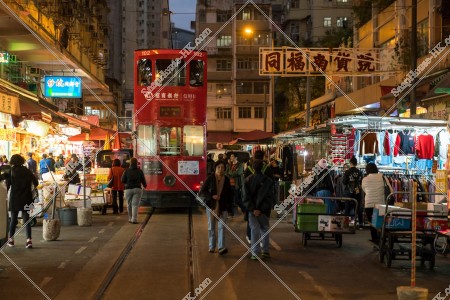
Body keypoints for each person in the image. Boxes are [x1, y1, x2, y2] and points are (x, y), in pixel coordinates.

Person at [199, 160, 233, 255]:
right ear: (215, 168)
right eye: (219, 167)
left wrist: (230, 209)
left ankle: (221, 247)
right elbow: (202, 191)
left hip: (223, 207)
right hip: (211, 206)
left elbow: (230, 194)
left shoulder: (226, 179)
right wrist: (212, 196)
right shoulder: (210, 178)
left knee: (222, 227)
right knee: (211, 227)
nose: (220, 169)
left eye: (222, 167)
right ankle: (212, 246)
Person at [243, 159, 275, 260]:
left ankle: (255, 253)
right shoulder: (269, 181)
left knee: (254, 230)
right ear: (263, 167)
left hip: (252, 212)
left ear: (252, 168)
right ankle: (265, 251)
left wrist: (253, 209)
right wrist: (262, 209)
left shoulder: (247, 180)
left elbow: (245, 197)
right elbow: (271, 197)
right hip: (264, 211)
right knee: (265, 229)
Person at [6, 154, 39, 248]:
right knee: (27, 219)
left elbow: (7, 186)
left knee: (13, 219)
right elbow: (36, 182)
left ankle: (11, 240)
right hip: (27, 198)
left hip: (14, 198)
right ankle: (29, 240)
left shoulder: (11, 171)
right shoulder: (27, 171)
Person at [361, 163, 392, 245]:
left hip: (369, 205)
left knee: (372, 224)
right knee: (381, 223)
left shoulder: (365, 179)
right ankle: (382, 239)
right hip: (380, 205)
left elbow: (364, 190)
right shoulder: (383, 177)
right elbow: (390, 190)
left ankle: (375, 240)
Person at [121, 157, 147, 224]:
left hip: (128, 189)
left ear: (130, 163)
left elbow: (122, 180)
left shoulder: (126, 171)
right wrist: (145, 185)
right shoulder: (139, 171)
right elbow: (143, 180)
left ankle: (130, 218)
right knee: (135, 205)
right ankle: (134, 219)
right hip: (137, 189)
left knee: (129, 204)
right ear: (136, 163)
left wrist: (127, 182)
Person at [343, 156, 364, 229]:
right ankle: (361, 224)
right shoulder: (360, 172)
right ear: (356, 163)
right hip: (357, 191)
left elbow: (344, 182)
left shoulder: (347, 172)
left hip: (349, 191)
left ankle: (346, 224)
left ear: (350, 163)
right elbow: (362, 182)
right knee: (358, 208)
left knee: (347, 208)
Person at [225, 153, 244, 217]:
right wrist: (232, 173)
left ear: (236, 157)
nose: (231, 158)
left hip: (236, 184)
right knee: (229, 199)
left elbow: (238, 173)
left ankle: (245, 210)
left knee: (237, 200)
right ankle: (230, 213)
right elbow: (225, 173)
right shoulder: (229, 165)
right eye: (230, 156)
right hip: (229, 184)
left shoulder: (240, 165)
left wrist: (230, 173)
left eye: (232, 156)